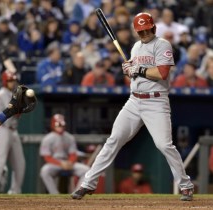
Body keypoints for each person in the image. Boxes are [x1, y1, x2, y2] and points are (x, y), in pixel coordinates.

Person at [71, 12, 194, 201]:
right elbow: (136, 74)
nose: (143, 34)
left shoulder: (162, 44)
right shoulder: (136, 47)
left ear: (153, 27)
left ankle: (185, 185)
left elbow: (162, 72)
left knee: (164, 145)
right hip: (134, 101)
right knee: (113, 140)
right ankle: (88, 183)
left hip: (156, 101)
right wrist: (129, 71)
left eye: (146, 30)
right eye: (140, 31)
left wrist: (139, 69)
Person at [39, 114, 90, 194]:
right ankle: (54, 194)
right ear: (53, 125)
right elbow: (47, 157)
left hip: (68, 163)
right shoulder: (47, 139)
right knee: (44, 171)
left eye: (61, 125)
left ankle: (77, 193)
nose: (60, 127)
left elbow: (73, 154)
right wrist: (60, 164)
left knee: (86, 170)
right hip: (55, 164)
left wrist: (70, 162)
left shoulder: (69, 137)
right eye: (58, 125)